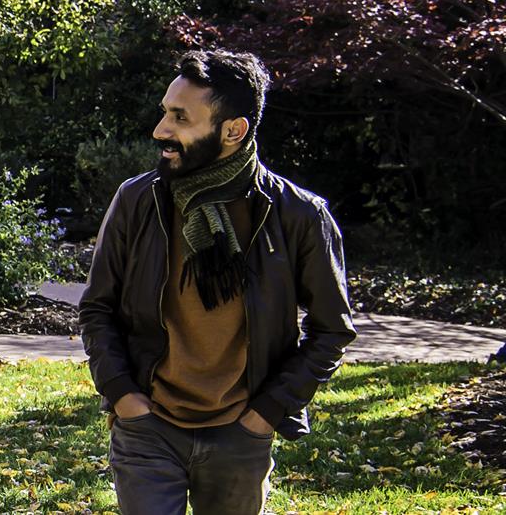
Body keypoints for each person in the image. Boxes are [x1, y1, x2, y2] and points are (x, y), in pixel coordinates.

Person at [80, 49, 356, 515]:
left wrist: (265, 414)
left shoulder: (298, 215)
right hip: (148, 428)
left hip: (240, 434)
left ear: (233, 130)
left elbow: (332, 329)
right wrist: (125, 398)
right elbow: (97, 309)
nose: (160, 131)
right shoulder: (137, 200)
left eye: (180, 118)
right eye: (165, 113)